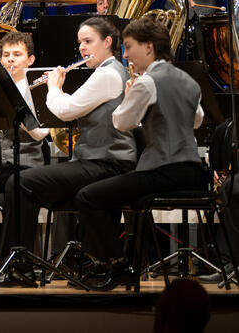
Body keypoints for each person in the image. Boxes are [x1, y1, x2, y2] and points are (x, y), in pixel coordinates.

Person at [75, 17, 205, 290]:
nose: (125, 55)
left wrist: (130, 94)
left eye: (130, 46)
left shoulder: (147, 83)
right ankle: (126, 264)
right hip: (193, 171)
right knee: (117, 192)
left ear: (148, 47)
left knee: (89, 196)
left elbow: (121, 123)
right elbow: (197, 121)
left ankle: (119, 264)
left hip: (163, 170)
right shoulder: (188, 80)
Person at [0, 17, 137, 268]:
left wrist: (53, 86)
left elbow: (64, 111)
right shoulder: (109, 71)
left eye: (88, 41)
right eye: (80, 42)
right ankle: (23, 262)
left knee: (21, 183)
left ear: (107, 42)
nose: (82, 48)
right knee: (24, 184)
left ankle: (17, 264)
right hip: (99, 159)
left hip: (105, 162)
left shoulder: (107, 74)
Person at [0, 32, 50, 195]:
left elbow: (40, 133)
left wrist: (13, 103)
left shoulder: (39, 89)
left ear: (30, 60)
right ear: (0, 60)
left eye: (17, 54)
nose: (11, 59)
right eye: (6, 55)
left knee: (14, 187)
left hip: (25, 165)